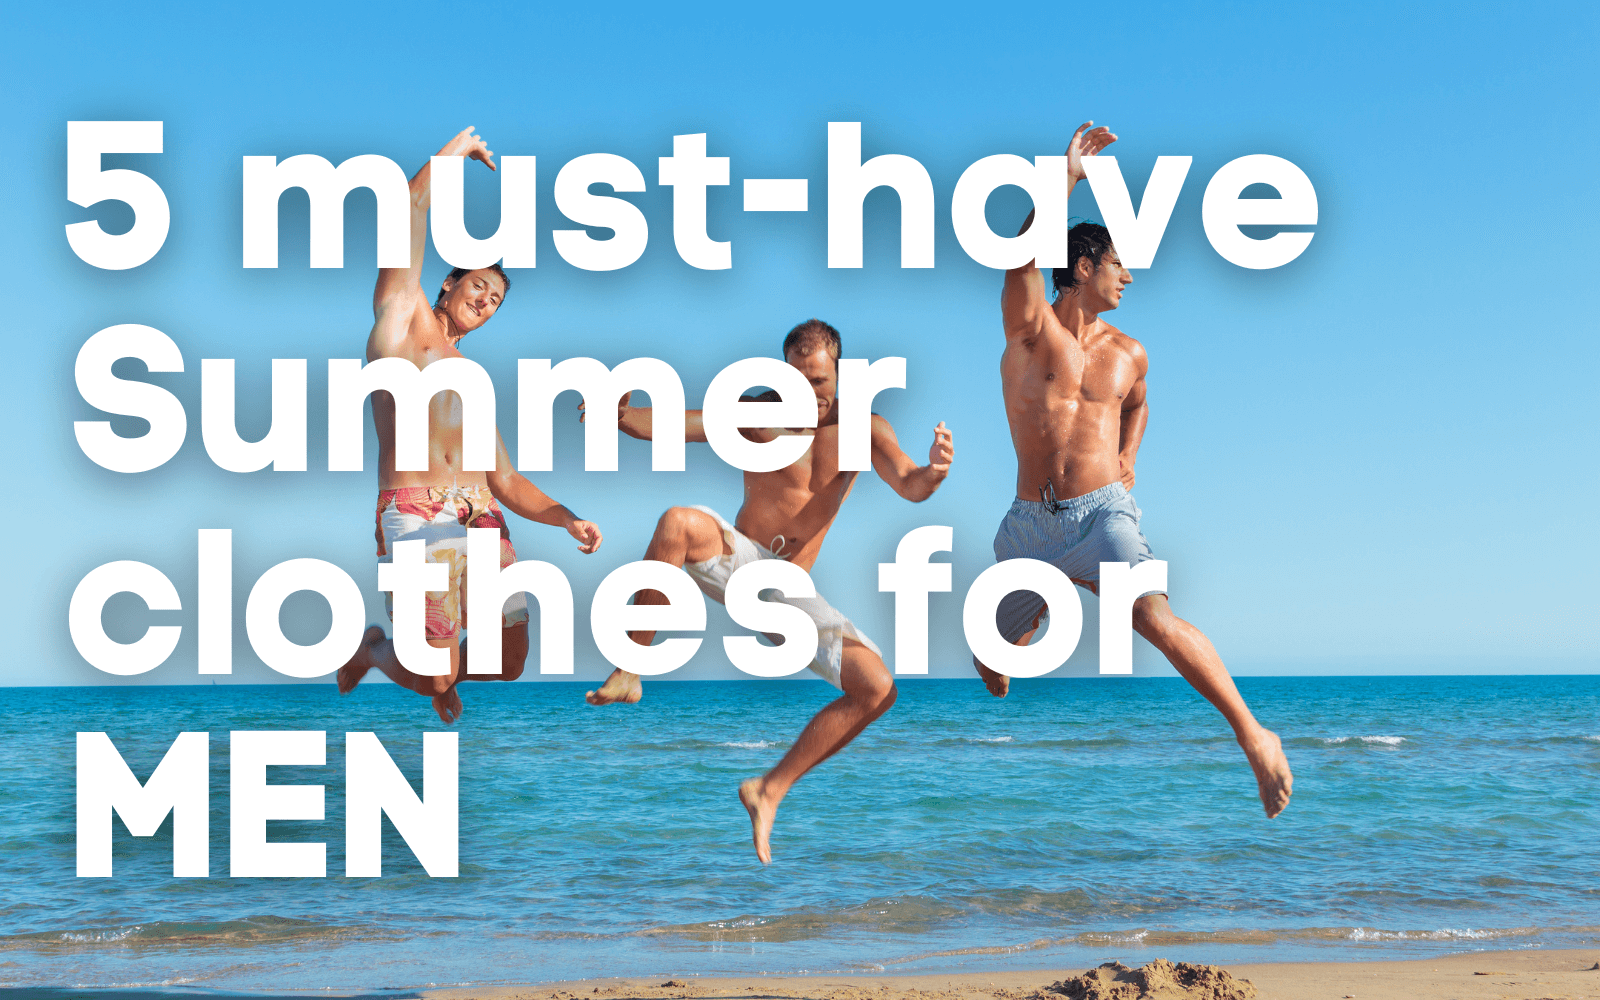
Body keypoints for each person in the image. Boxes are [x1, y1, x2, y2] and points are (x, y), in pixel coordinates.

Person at [978, 121, 1293, 818]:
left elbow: (1139, 404)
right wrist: (1061, 178)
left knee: (1154, 616)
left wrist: (1127, 457)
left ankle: (1253, 735)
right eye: (1120, 263)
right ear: (1084, 267)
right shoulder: (1031, 336)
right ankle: (1031, 623)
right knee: (990, 660)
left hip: (1103, 516)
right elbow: (1016, 264)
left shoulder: (1132, 352)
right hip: (1029, 525)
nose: (1129, 275)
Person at [584, 319, 955, 862]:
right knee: (677, 522)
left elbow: (909, 482)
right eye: (797, 380)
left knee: (876, 689)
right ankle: (630, 668)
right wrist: (622, 418)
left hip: (787, 589)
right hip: (737, 559)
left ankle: (769, 789)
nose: (809, 393)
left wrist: (936, 471)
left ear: (840, 375)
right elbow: (676, 425)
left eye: (820, 382)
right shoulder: (760, 414)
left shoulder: (864, 429)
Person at [337, 126, 603, 724]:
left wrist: (566, 518)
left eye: (497, 299)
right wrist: (451, 155)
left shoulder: (473, 379)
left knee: (509, 662)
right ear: (450, 282)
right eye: (480, 284)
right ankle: (379, 651)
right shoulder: (402, 322)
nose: (487, 300)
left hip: (481, 514)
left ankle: (442, 668)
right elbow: (405, 211)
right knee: (435, 675)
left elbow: (506, 479)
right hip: (417, 511)